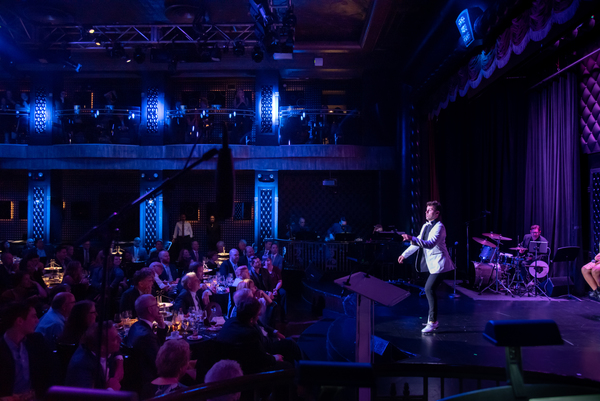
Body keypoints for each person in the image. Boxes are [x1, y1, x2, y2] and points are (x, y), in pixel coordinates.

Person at [398, 201, 455, 333]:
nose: (426, 212)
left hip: (441, 264)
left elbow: (429, 244)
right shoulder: (425, 226)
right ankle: (432, 320)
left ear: (436, 213)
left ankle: (433, 321)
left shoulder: (440, 227)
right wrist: (404, 254)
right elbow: (418, 242)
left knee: (429, 289)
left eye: (429, 210)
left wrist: (411, 237)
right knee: (430, 290)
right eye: (426, 210)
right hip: (433, 265)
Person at [0, 301, 53, 398]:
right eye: (33, 316)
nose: (37, 320)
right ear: (20, 321)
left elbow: (51, 371)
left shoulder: (37, 341)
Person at [125, 294, 168, 399]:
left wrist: (161, 325)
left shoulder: (136, 326)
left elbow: (158, 344)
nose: (158, 307)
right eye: (156, 305)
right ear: (150, 309)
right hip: (150, 383)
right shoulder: (146, 336)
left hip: (139, 379)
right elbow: (159, 364)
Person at [65, 322, 123, 390]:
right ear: (102, 348)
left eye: (118, 335)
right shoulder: (82, 366)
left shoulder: (101, 349)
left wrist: (120, 363)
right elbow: (86, 397)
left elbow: (116, 351)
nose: (120, 340)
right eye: (114, 339)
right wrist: (111, 390)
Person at [262, 257, 287, 323]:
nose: (268, 262)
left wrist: (276, 289)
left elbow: (280, 281)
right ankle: (270, 317)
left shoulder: (276, 269)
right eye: (266, 261)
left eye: (269, 260)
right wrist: (269, 291)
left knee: (283, 293)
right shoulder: (262, 270)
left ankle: (283, 316)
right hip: (267, 289)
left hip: (276, 287)